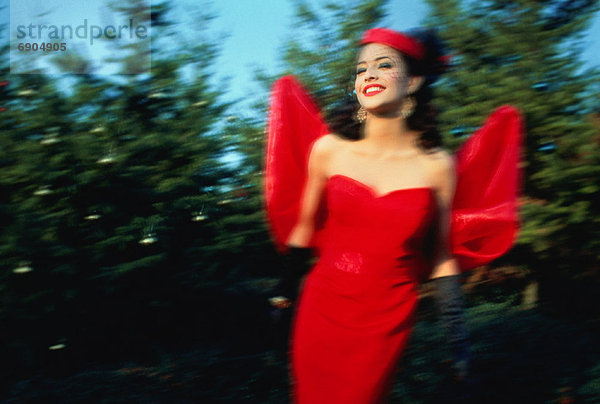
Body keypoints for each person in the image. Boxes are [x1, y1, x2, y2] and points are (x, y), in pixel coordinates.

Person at [266, 27, 520, 403]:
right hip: (321, 308)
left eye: (384, 65)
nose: (368, 74)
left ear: (414, 80)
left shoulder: (436, 166)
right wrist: (283, 295)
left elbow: (441, 257)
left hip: (386, 319)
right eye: (361, 69)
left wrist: (459, 341)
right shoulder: (329, 150)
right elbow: (304, 229)